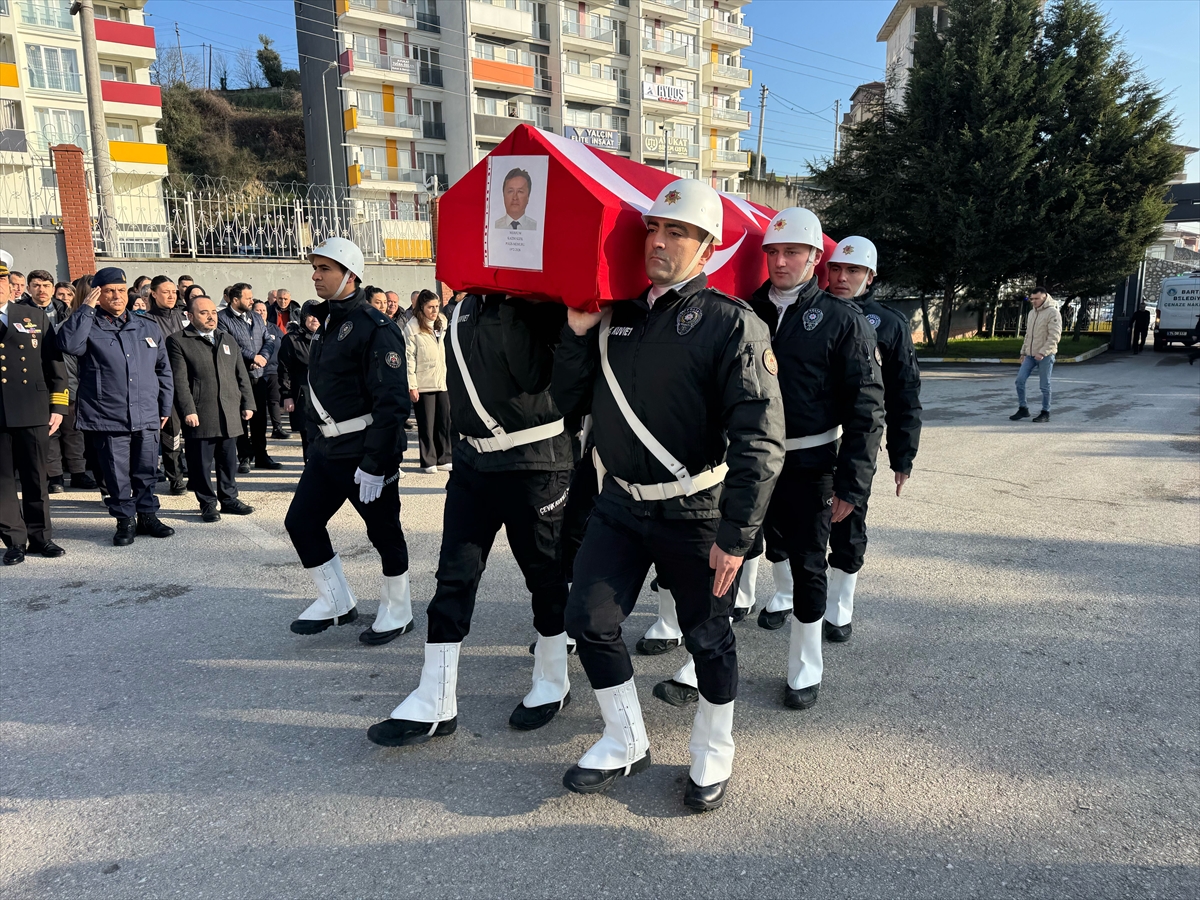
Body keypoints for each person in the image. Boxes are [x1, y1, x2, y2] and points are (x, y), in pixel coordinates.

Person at [550, 180, 785, 812]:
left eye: (678, 232)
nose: (659, 241)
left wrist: (737, 537)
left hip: (697, 512)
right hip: (620, 505)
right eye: (654, 228)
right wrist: (576, 335)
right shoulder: (615, 317)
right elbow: (568, 404)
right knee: (589, 621)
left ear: (707, 247)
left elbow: (760, 441)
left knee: (708, 639)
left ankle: (713, 749)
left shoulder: (733, 325)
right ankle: (626, 738)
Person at [366, 285, 574, 748]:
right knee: (453, 578)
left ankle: (552, 679)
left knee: (544, 577)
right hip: (473, 465)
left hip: (535, 464)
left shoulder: (539, 304)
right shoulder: (460, 307)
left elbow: (535, 376)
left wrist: (512, 305)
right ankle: (435, 699)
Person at [282, 238, 413, 643]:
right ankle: (337, 601)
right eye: (315, 268)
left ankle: (398, 610)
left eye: (325, 268)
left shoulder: (376, 328)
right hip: (327, 451)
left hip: (364, 452)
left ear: (350, 274)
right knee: (301, 522)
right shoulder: (327, 322)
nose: (316, 275)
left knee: (384, 533)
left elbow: (391, 404)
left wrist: (376, 464)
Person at [820, 236, 921, 641]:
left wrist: (902, 456)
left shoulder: (889, 324)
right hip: (806, 438)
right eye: (836, 269)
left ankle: (839, 608)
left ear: (871, 276)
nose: (842, 278)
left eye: (853, 271)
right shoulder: (810, 311)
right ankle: (786, 595)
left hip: (855, 442)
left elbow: (904, 395)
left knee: (847, 522)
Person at [56, 267, 176, 546]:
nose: (117, 296)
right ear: (98, 294)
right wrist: (85, 309)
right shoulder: (87, 324)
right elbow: (69, 345)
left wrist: (164, 406)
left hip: (146, 411)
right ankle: (125, 521)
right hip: (107, 414)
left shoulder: (146, 325)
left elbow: (163, 369)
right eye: (109, 291)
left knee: (147, 468)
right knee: (116, 471)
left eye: (121, 290)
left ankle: (148, 515)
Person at [0, 261, 69, 564]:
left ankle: (41, 537)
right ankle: (14, 540)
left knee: (35, 477)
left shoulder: (33, 316)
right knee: (1, 480)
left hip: (32, 408)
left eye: (2, 280)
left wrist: (58, 405)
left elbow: (54, 365)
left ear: (9, 284)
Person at [168, 293, 256, 522]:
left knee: (228, 461)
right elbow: (180, 380)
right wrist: (188, 409)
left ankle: (228, 499)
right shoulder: (178, 340)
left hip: (229, 412)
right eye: (203, 312)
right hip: (201, 412)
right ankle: (207, 503)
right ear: (190, 315)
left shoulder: (227, 339)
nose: (210, 317)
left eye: (213, 312)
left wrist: (248, 403)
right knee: (201, 463)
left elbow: (241, 375)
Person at [19, 270, 81, 495]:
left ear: (53, 288)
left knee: (73, 427)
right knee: (50, 429)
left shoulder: (67, 310)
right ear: (29, 288)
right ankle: (55, 476)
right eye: (36, 285)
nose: (41, 289)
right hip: (39, 378)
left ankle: (78, 471)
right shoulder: (21, 313)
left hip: (68, 375)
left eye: (46, 285)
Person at [218, 283, 279, 471]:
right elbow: (229, 344)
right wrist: (252, 357)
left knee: (260, 419)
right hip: (236, 377)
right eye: (248, 298)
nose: (252, 301)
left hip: (258, 375)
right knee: (242, 417)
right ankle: (244, 456)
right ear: (236, 300)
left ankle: (261, 455)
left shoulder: (256, 318)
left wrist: (263, 358)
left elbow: (269, 339)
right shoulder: (222, 319)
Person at [144, 276, 188, 494]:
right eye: (165, 292)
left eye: (174, 292)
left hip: (187, 381)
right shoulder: (146, 321)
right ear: (153, 293)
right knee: (171, 431)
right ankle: (175, 477)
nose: (171, 296)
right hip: (162, 383)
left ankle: (193, 471)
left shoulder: (183, 317)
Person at [404, 289, 452, 473]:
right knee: (426, 423)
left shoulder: (443, 322)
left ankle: (444, 457)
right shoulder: (412, 327)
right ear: (421, 307)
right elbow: (409, 358)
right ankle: (428, 460)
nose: (434, 310)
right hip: (423, 382)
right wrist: (412, 385)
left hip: (442, 380)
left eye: (436, 306)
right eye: (430, 307)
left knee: (444, 421)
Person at [1010, 286, 1061, 423]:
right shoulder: (1032, 313)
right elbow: (1028, 335)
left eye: (1036, 298)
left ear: (1045, 297)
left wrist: (1042, 352)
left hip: (1046, 355)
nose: (1034, 301)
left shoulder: (1053, 313)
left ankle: (1045, 412)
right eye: (1031, 299)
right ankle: (1023, 408)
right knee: (1019, 380)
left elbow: (1054, 337)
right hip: (1030, 354)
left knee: (1044, 385)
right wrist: (1023, 352)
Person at [279, 301, 320, 463]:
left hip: (326, 396)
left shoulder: (328, 336)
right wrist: (286, 395)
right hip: (304, 395)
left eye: (318, 315)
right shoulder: (292, 340)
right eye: (310, 315)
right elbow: (284, 369)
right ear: (303, 317)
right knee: (309, 437)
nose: (315, 319)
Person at [252, 299, 287, 440]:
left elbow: (283, 344)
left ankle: (277, 427)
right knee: (259, 403)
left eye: (264, 310)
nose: (261, 313)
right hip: (256, 371)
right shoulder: (250, 329)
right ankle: (258, 432)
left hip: (273, 369)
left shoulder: (274, 328)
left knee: (274, 400)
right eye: (258, 310)